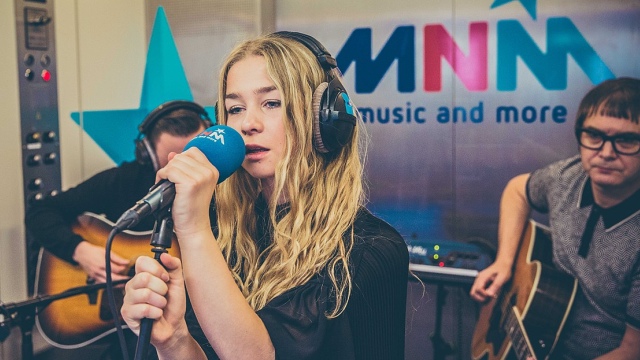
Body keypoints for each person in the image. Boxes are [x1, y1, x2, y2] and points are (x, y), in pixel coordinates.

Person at [120, 31, 409, 360]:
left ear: (322, 118)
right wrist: (174, 341)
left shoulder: (369, 250)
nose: (247, 124)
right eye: (235, 108)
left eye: (271, 103)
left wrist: (193, 229)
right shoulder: (221, 232)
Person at [25, 100, 211, 358]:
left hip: (196, 328)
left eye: (192, 158)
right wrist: (80, 250)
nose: (183, 170)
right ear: (146, 153)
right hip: (129, 329)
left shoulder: (230, 193)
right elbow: (40, 213)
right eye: (170, 160)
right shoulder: (124, 181)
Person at [470, 77, 640, 359]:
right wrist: (504, 262)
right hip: (541, 329)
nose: (606, 153)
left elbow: (633, 351)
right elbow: (517, 190)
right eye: (594, 136)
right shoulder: (567, 177)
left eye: (626, 140)